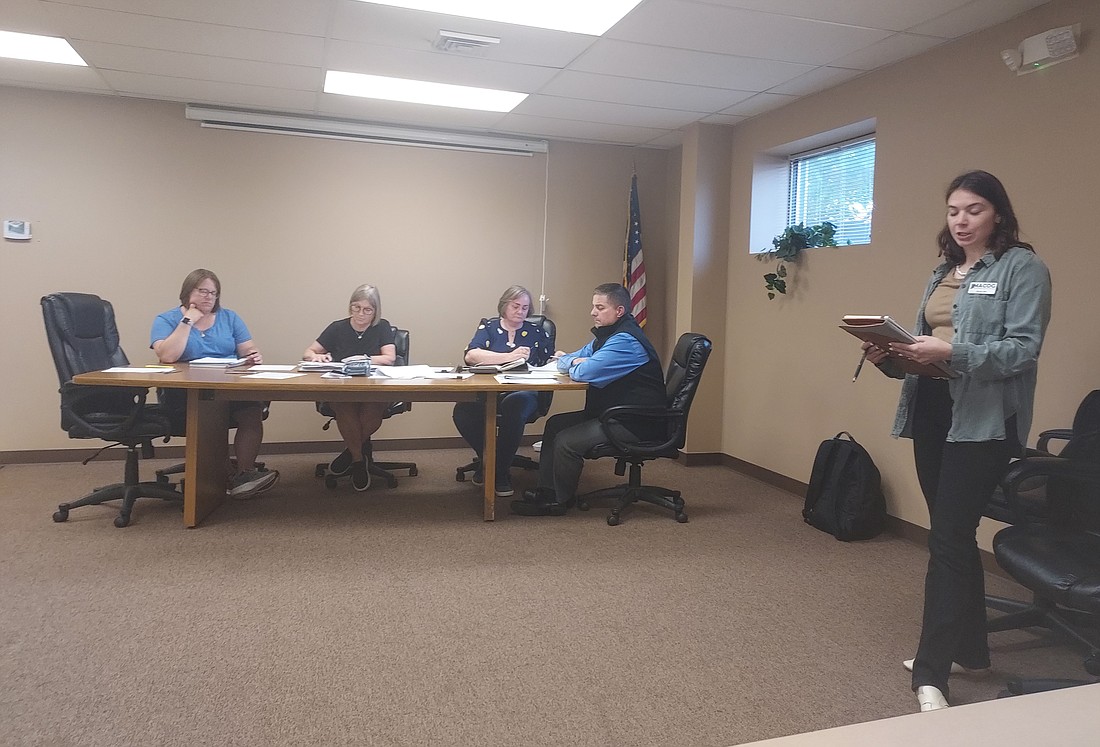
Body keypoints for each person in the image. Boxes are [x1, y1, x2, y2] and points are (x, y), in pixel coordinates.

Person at [861, 171, 1052, 712]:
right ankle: (971, 648)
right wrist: (891, 357)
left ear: (997, 213)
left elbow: (1023, 350)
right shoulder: (944, 271)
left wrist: (951, 354)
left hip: (985, 421)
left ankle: (932, 670)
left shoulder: (1023, 268)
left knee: (946, 537)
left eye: (974, 210)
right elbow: (924, 351)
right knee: (954, 535)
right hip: (931, 410)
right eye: (953, 211)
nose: (962, 221)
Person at [511, 282, 666, 517]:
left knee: (567, 440)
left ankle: (559, 501)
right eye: (594, 306)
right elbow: (571, 358)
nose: (593, 312)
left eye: (600, 307)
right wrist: (574, 361)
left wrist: (574, 363)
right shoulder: (607, 337)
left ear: (619, 311)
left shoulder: (625, 341)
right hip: (614, 413)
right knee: (556, 424)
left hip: (635, 421)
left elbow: (584, 372)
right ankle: (547, 490)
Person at [151, 268, 279, 498]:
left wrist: (253, 355)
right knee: (209, 416)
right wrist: (188, 320)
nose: (209, 297)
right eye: (203, 291)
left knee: (252, 412)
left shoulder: (229, 317)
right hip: (186, 393)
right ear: (188, 292)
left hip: (228, 386)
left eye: (214, 293)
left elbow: (247, 348)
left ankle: (244, 474)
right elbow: (167, 356)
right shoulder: (167, 319)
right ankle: (218, 479)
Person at [452, 285, 554, 498]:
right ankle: (491, 460)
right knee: (462, 411)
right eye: (515, 306)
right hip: (489, 390)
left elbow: (549, 361)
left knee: (514, 406)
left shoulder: (536, 331)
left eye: (525, 308)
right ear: (504, 306)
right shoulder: (488, 327)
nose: (520, 311)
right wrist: (509, 357)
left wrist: (560, 357)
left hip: (526, 392)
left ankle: (497, 473)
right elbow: (471, 356)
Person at [303, 284, 396, 491]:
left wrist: (364, 358)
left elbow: (389, 358)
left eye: (367, 310)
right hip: (342, 387)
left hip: (374, 388)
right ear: (350, 307)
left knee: (372, 408)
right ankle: (358, 461)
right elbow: (308, 352)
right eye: (356, 308)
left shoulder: (382, 327)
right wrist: (317, 356)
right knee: (343, 406)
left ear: (376, 310)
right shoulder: (337, 327)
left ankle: (351, 453)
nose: (361, 314)